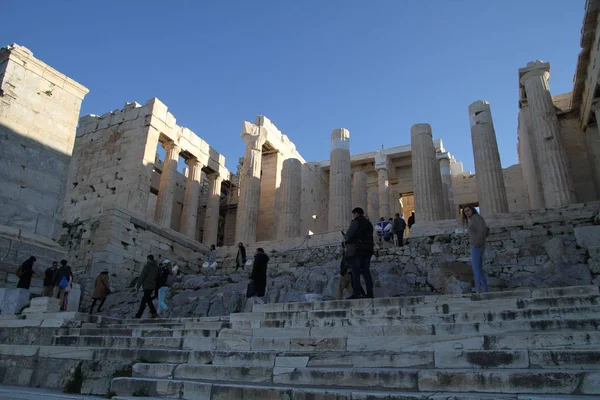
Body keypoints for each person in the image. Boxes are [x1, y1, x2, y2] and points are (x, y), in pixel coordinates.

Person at [345, 207, 375, 299]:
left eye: (353, 214)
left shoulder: (356, 222)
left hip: (358, 250)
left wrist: (347, 241)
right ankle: (370, 294)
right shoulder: (369, 224)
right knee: (366, 272)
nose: (353, 216)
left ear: (357, 213)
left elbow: (349, 235)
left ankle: (357, 293)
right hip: (369, 250)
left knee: (355, 272)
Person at [463, 205, 490, 293]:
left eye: (468, 210)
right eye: (465, 211)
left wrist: (477, 243)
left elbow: (483, 230)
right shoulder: (472, 219)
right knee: (479, 268)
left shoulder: (476, 218)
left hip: (477, 245)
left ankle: (478, 288)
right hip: (477, 244)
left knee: (476, 268)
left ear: (472, 210)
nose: (467, 212)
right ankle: (485, 289)